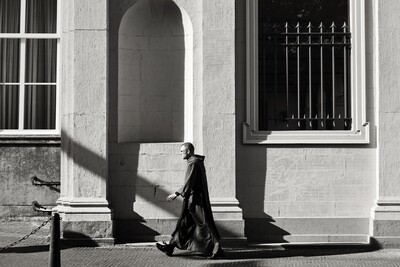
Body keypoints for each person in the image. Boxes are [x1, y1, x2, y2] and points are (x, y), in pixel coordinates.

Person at [156, 142, 224, 259]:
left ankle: (217, 248)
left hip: (195, 200)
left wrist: (177, 193)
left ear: (188, 151)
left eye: (182, 151)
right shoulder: (195, 162)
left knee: (204, 224)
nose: (180, 153)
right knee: (184, 224)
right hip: (192, 200)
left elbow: (190, 181)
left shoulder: (193, 163)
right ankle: (171, 246)